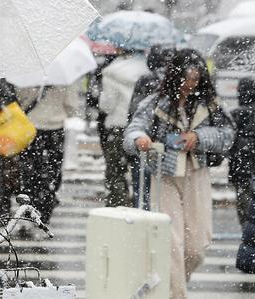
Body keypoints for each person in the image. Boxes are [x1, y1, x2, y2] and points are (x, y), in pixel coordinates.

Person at [123, 49, 234, 299]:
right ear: (175, 77)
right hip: (164, 174)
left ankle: (172, 283)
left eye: (195, 79)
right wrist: (140, 139)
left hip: (197, 173)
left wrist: (199, 137)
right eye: (185, 78)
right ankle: (175, 294)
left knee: (197, 245)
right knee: (170, 241)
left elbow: (228, 134)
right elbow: (133, 130)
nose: (189, 84)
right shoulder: (155, 102)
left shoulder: (211, 104)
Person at [17, 82, 80, 224]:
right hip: (56, 127)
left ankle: (31, 201)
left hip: (31, 127)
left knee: (31, 169)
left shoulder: (31, 76)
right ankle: (48, 198)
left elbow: (21, 101)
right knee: (54, 168)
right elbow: (71, 106)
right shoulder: (65, 79)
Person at [99, 49, 149, 206]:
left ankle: (118, 207)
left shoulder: (114, 72)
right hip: (141, 130)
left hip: (117, 126)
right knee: (140, 172)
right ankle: (140, 206)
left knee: (116, 172)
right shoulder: (148, 68)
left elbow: (107, 105)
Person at [127, 45, 175, 209]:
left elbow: (134, 113)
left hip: (144, 143)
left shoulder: (145, 81)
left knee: (142, 193)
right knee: (167, 197)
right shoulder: (179, 82)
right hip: (171, 147)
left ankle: (142, 226)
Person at [229, 77, 255, 227]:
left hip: (241, 165)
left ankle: (247, 232)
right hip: (245, 163)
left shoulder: (236, 114)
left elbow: (228, 140)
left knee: (244, 202)